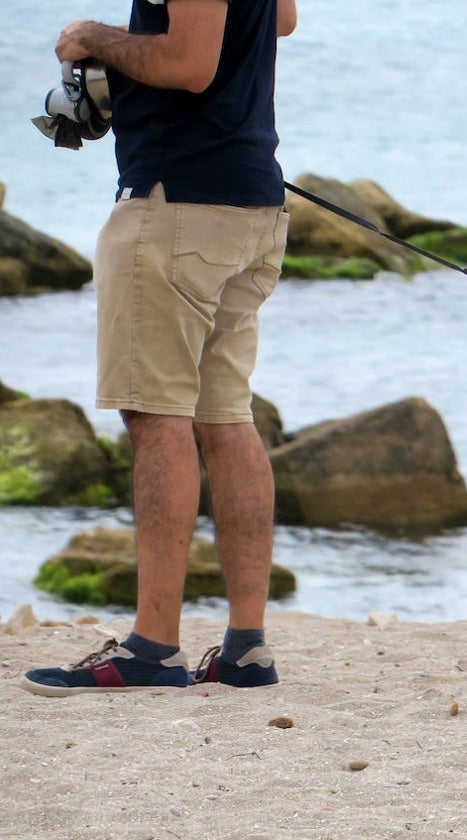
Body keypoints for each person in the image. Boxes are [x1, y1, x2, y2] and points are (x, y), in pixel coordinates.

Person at [21, 0, 298, 696]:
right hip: (248, 202)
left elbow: (190, 64)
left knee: (156, 416)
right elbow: (282, 18)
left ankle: (153, 646)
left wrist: (96, 40)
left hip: (178, 206)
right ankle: (246, 649)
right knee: (224, 418)